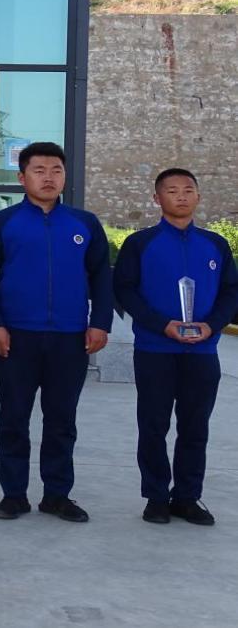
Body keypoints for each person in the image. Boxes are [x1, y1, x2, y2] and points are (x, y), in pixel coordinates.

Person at [0, 141, 113, 523]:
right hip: (16, 336)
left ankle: (57, 494)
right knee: (13, 418)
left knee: (61, 420)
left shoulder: (84, 224)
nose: (48, 177)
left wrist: (100, 322)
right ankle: (13, 495)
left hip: (70, 337)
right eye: (39, 170)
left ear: (65, 176)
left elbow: (102, 276)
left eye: (56, 170)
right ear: (22, 178)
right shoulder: (2, 224)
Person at [113, 168, 238, 526]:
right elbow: (124, 290)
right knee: (153, 425)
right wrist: (161, 324)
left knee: (195, 427)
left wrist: (212, 325)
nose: (181, 196)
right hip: (155, 350)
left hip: (202, 352)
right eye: (172, 190)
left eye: (188, 190)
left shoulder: (215, 245)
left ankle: (187, 497)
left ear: (198, 196)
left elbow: (231, 291)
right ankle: (155, 497)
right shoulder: (140, 243)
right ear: (157, 198)